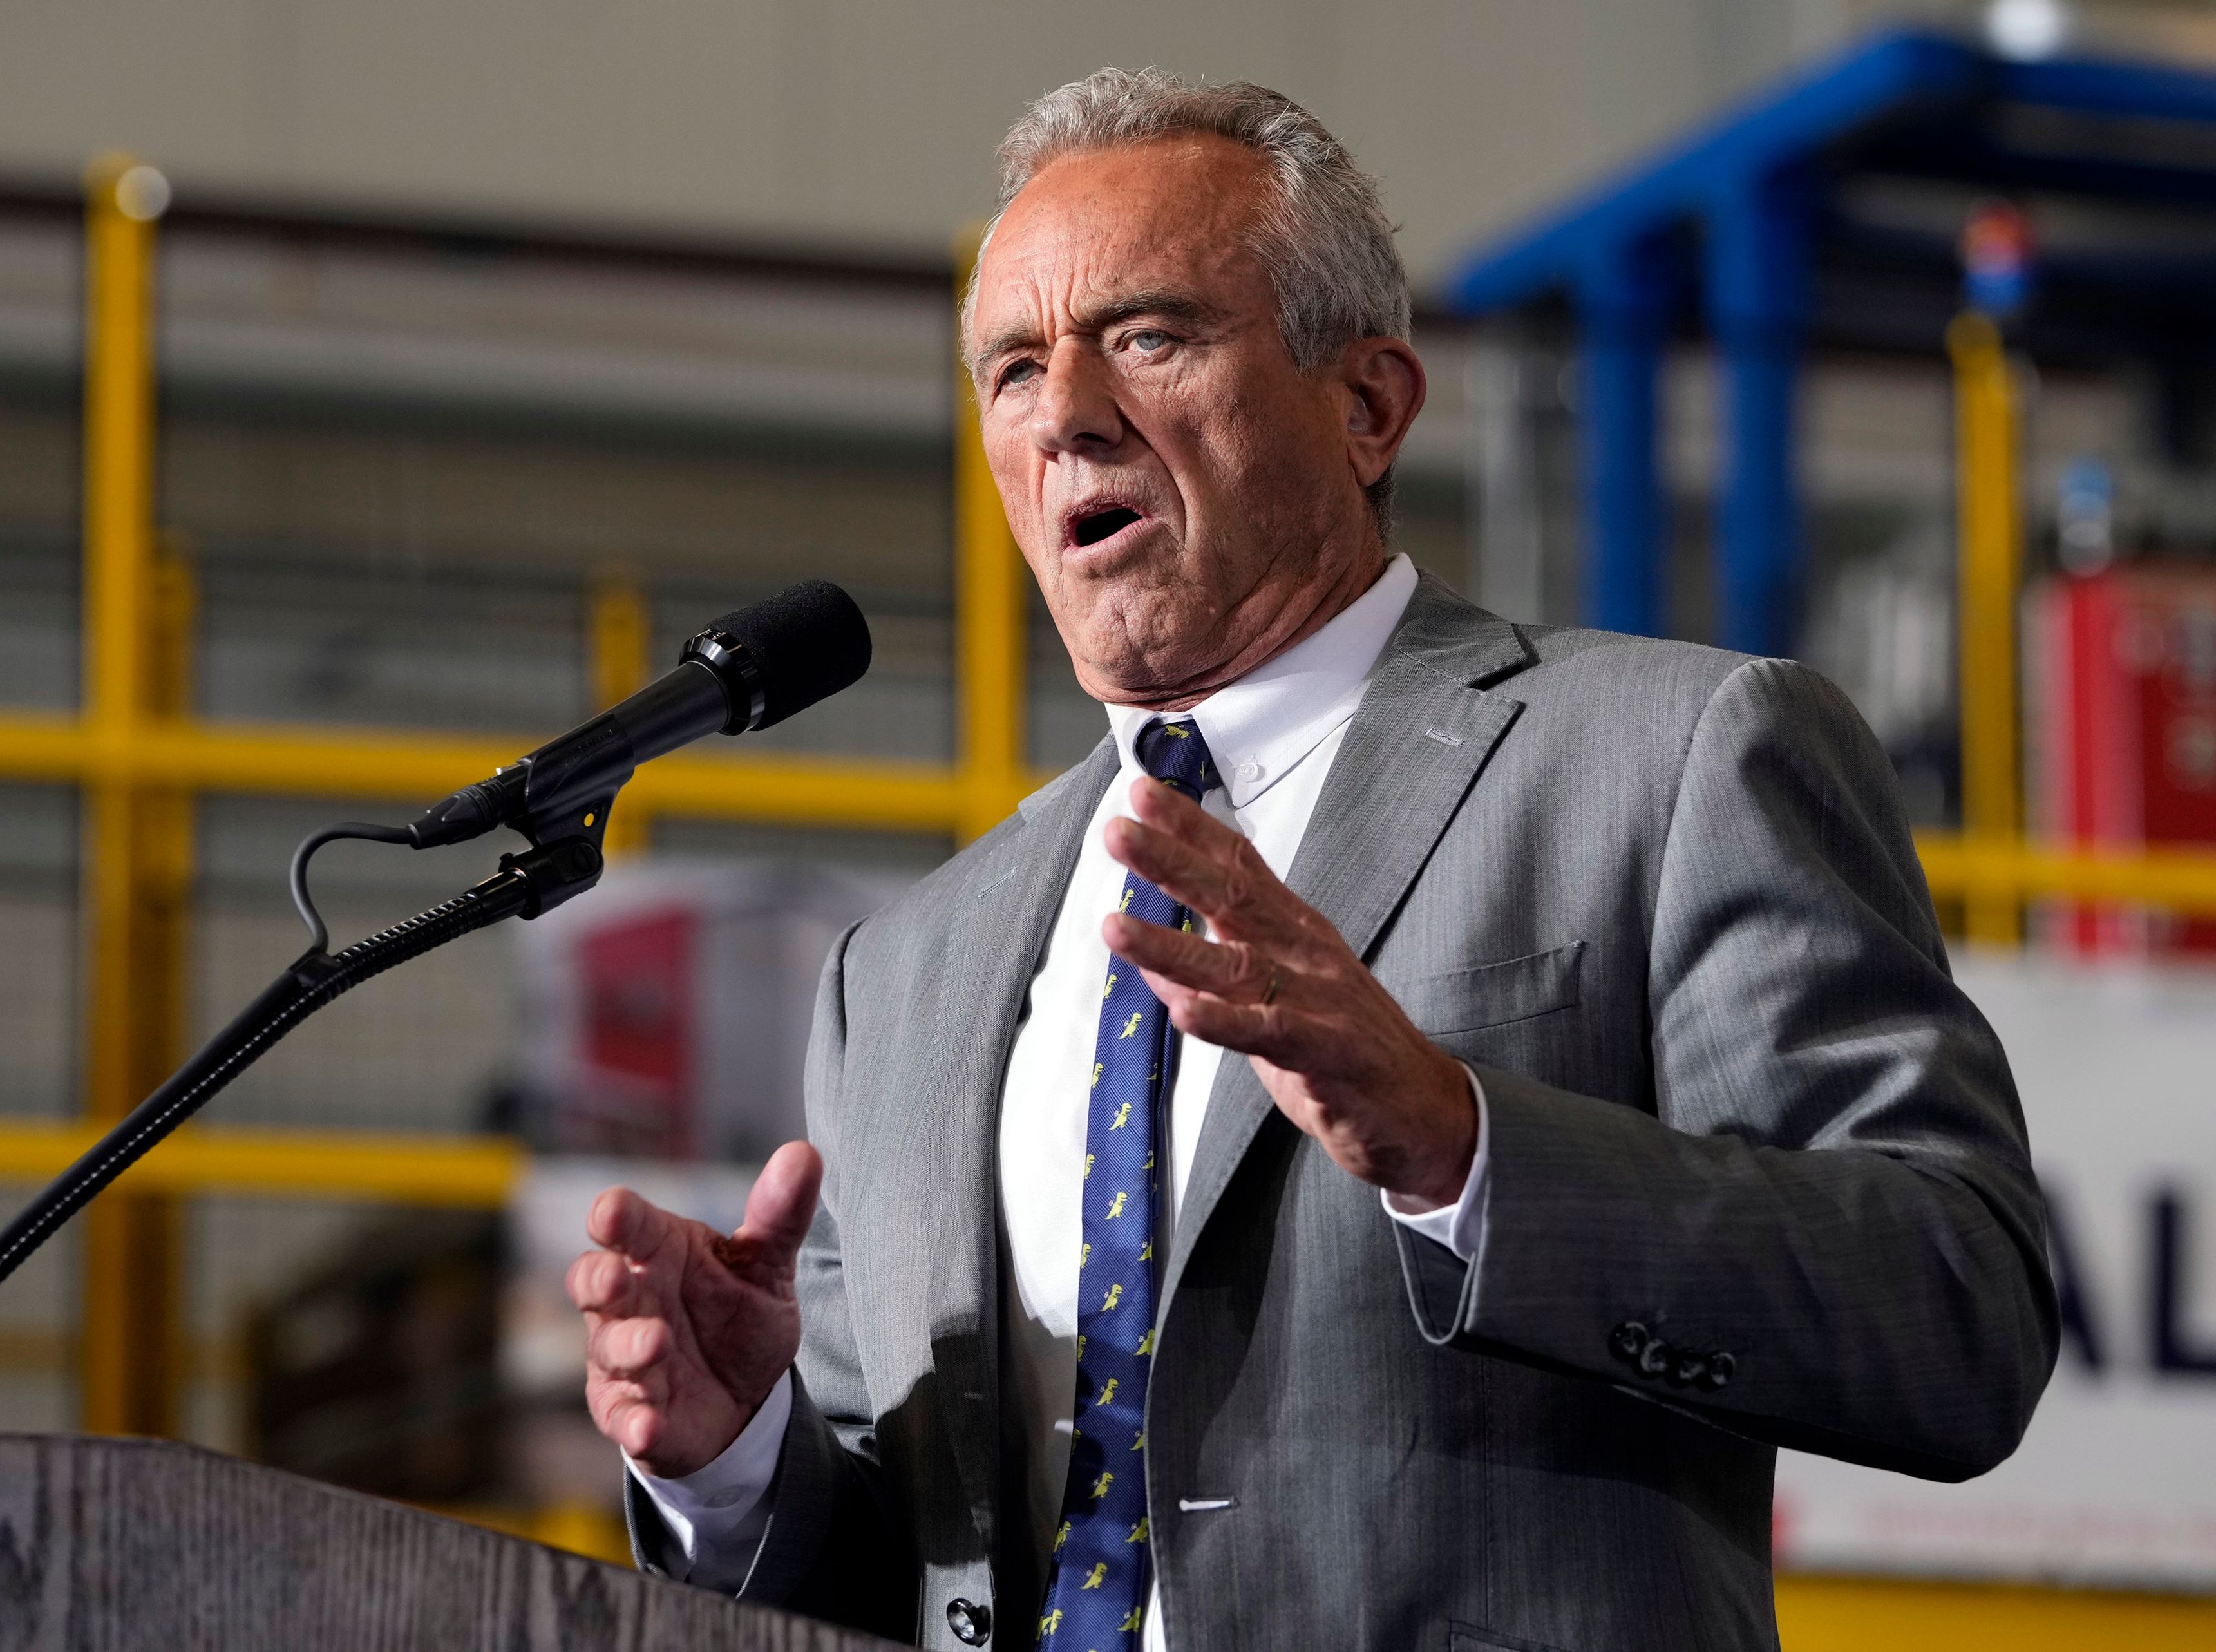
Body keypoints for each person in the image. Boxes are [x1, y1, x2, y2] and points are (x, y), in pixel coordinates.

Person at [569, 69, 2056, 1652]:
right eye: (1012, 366)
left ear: (1367, 407)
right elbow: (906, 1574)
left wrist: (1463, 1146)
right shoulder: (907, 971)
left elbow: (1954, 1309)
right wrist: (735, 1461)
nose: (1065, 409)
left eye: (1145, 335)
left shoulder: (1675, 757)